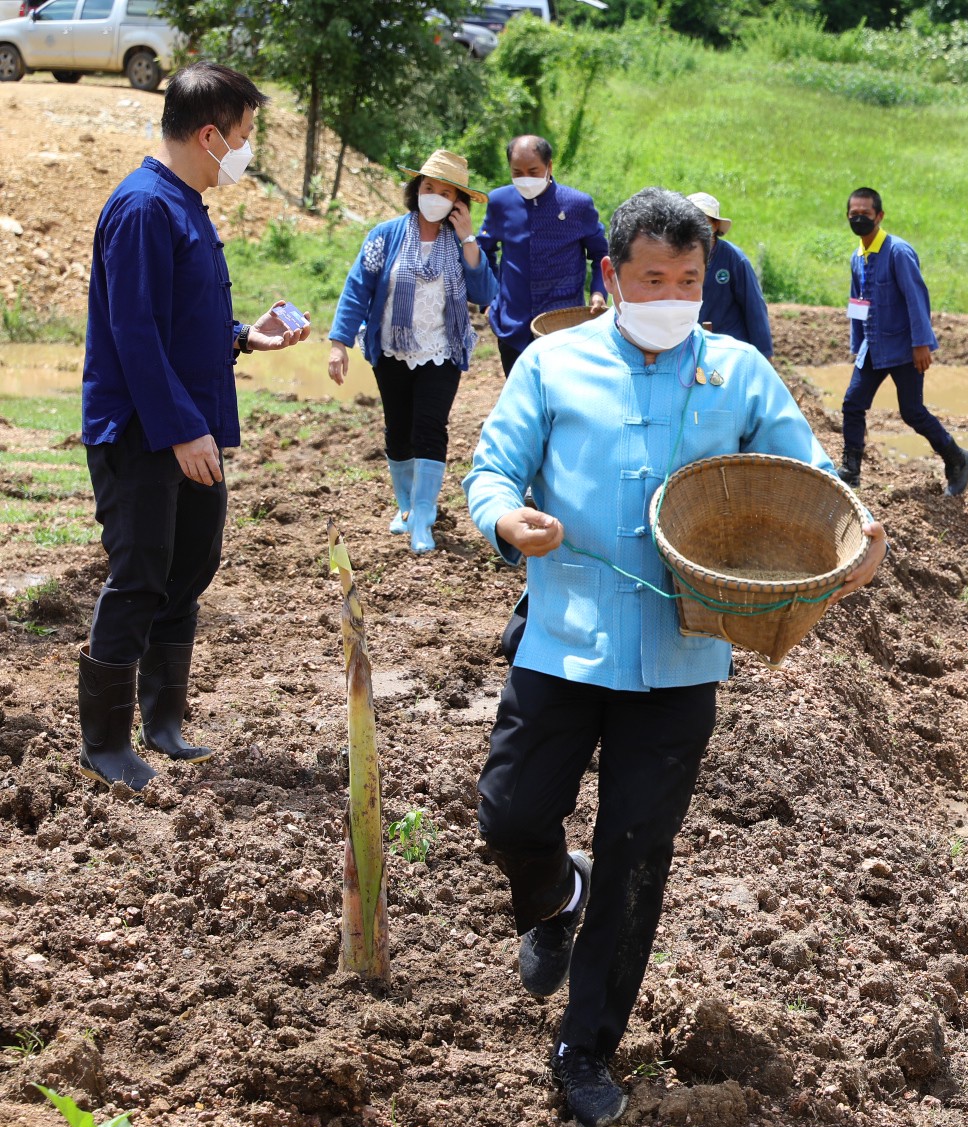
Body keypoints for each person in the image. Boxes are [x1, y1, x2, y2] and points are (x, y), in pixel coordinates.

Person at [464, 188, 886, 1127]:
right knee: (509, 812)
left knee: (637, 856)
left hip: (682, 659)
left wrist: (852, 533)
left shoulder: (735, 374)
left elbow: (806, 478)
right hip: (564, 640)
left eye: (689, 281)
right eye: (652, 278)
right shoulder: (551, 364)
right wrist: (504, 518)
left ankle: (584, 1050)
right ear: (611, 277)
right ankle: (549, 889)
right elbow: (491, 469)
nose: (671, 294)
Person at [77, 61, 312, 791]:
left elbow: (184, 319)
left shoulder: (185, 203)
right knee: (140, 574)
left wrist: (245, 336)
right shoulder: (144, 207)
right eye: (243, 136)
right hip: (144, 434)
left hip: (189, 428)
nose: (245, 149)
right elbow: (136, 332)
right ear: (210, 134)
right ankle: (105, 745)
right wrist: (182, 428)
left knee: (187, 570)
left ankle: (164, 721)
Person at [326, 149, 497, 555]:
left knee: (430, 429)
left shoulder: (460, 244)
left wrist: (469, 237)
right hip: (391, 349)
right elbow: (357, 289)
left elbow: (485, 292)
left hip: (441, 349)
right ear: (416, 189)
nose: (434, 196)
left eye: (445, 191)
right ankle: (405, 509)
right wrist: (339, 343)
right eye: (428, 187)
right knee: (398, 430)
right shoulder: (384, 236)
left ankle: (424, 516)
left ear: (459, 202)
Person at [839, 186, 968, 496]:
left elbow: (917, 300)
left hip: (903, 348)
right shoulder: (857, 258)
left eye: (865, 215)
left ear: (880, 216)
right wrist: (856, 343)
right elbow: (856, 303)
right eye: (853, 215)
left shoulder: (898, 252)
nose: (859, 219)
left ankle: (957, 459)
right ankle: (850, 470)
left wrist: (921, 344)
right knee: (852, 403)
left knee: (912, 412)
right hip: (872, 347)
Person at [477, 135, 609, 376]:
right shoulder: (499, 202)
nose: (525, 178)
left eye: (533, 170)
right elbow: (484, 251)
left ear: (549, 166)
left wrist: (599, 291)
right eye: (517, 172)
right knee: (522, 401)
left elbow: (601, 254)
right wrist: (488, 300)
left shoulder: (577, 205)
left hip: (564, 327)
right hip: (512, 326)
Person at [686, 191, 772, 358]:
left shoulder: (734, 259)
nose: (695, 228)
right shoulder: (677, 260)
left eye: (702, 221)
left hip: (730, 350)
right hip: (691, 348)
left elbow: (754, 307)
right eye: (690, 222)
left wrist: (764, 354)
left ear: (715, 225)